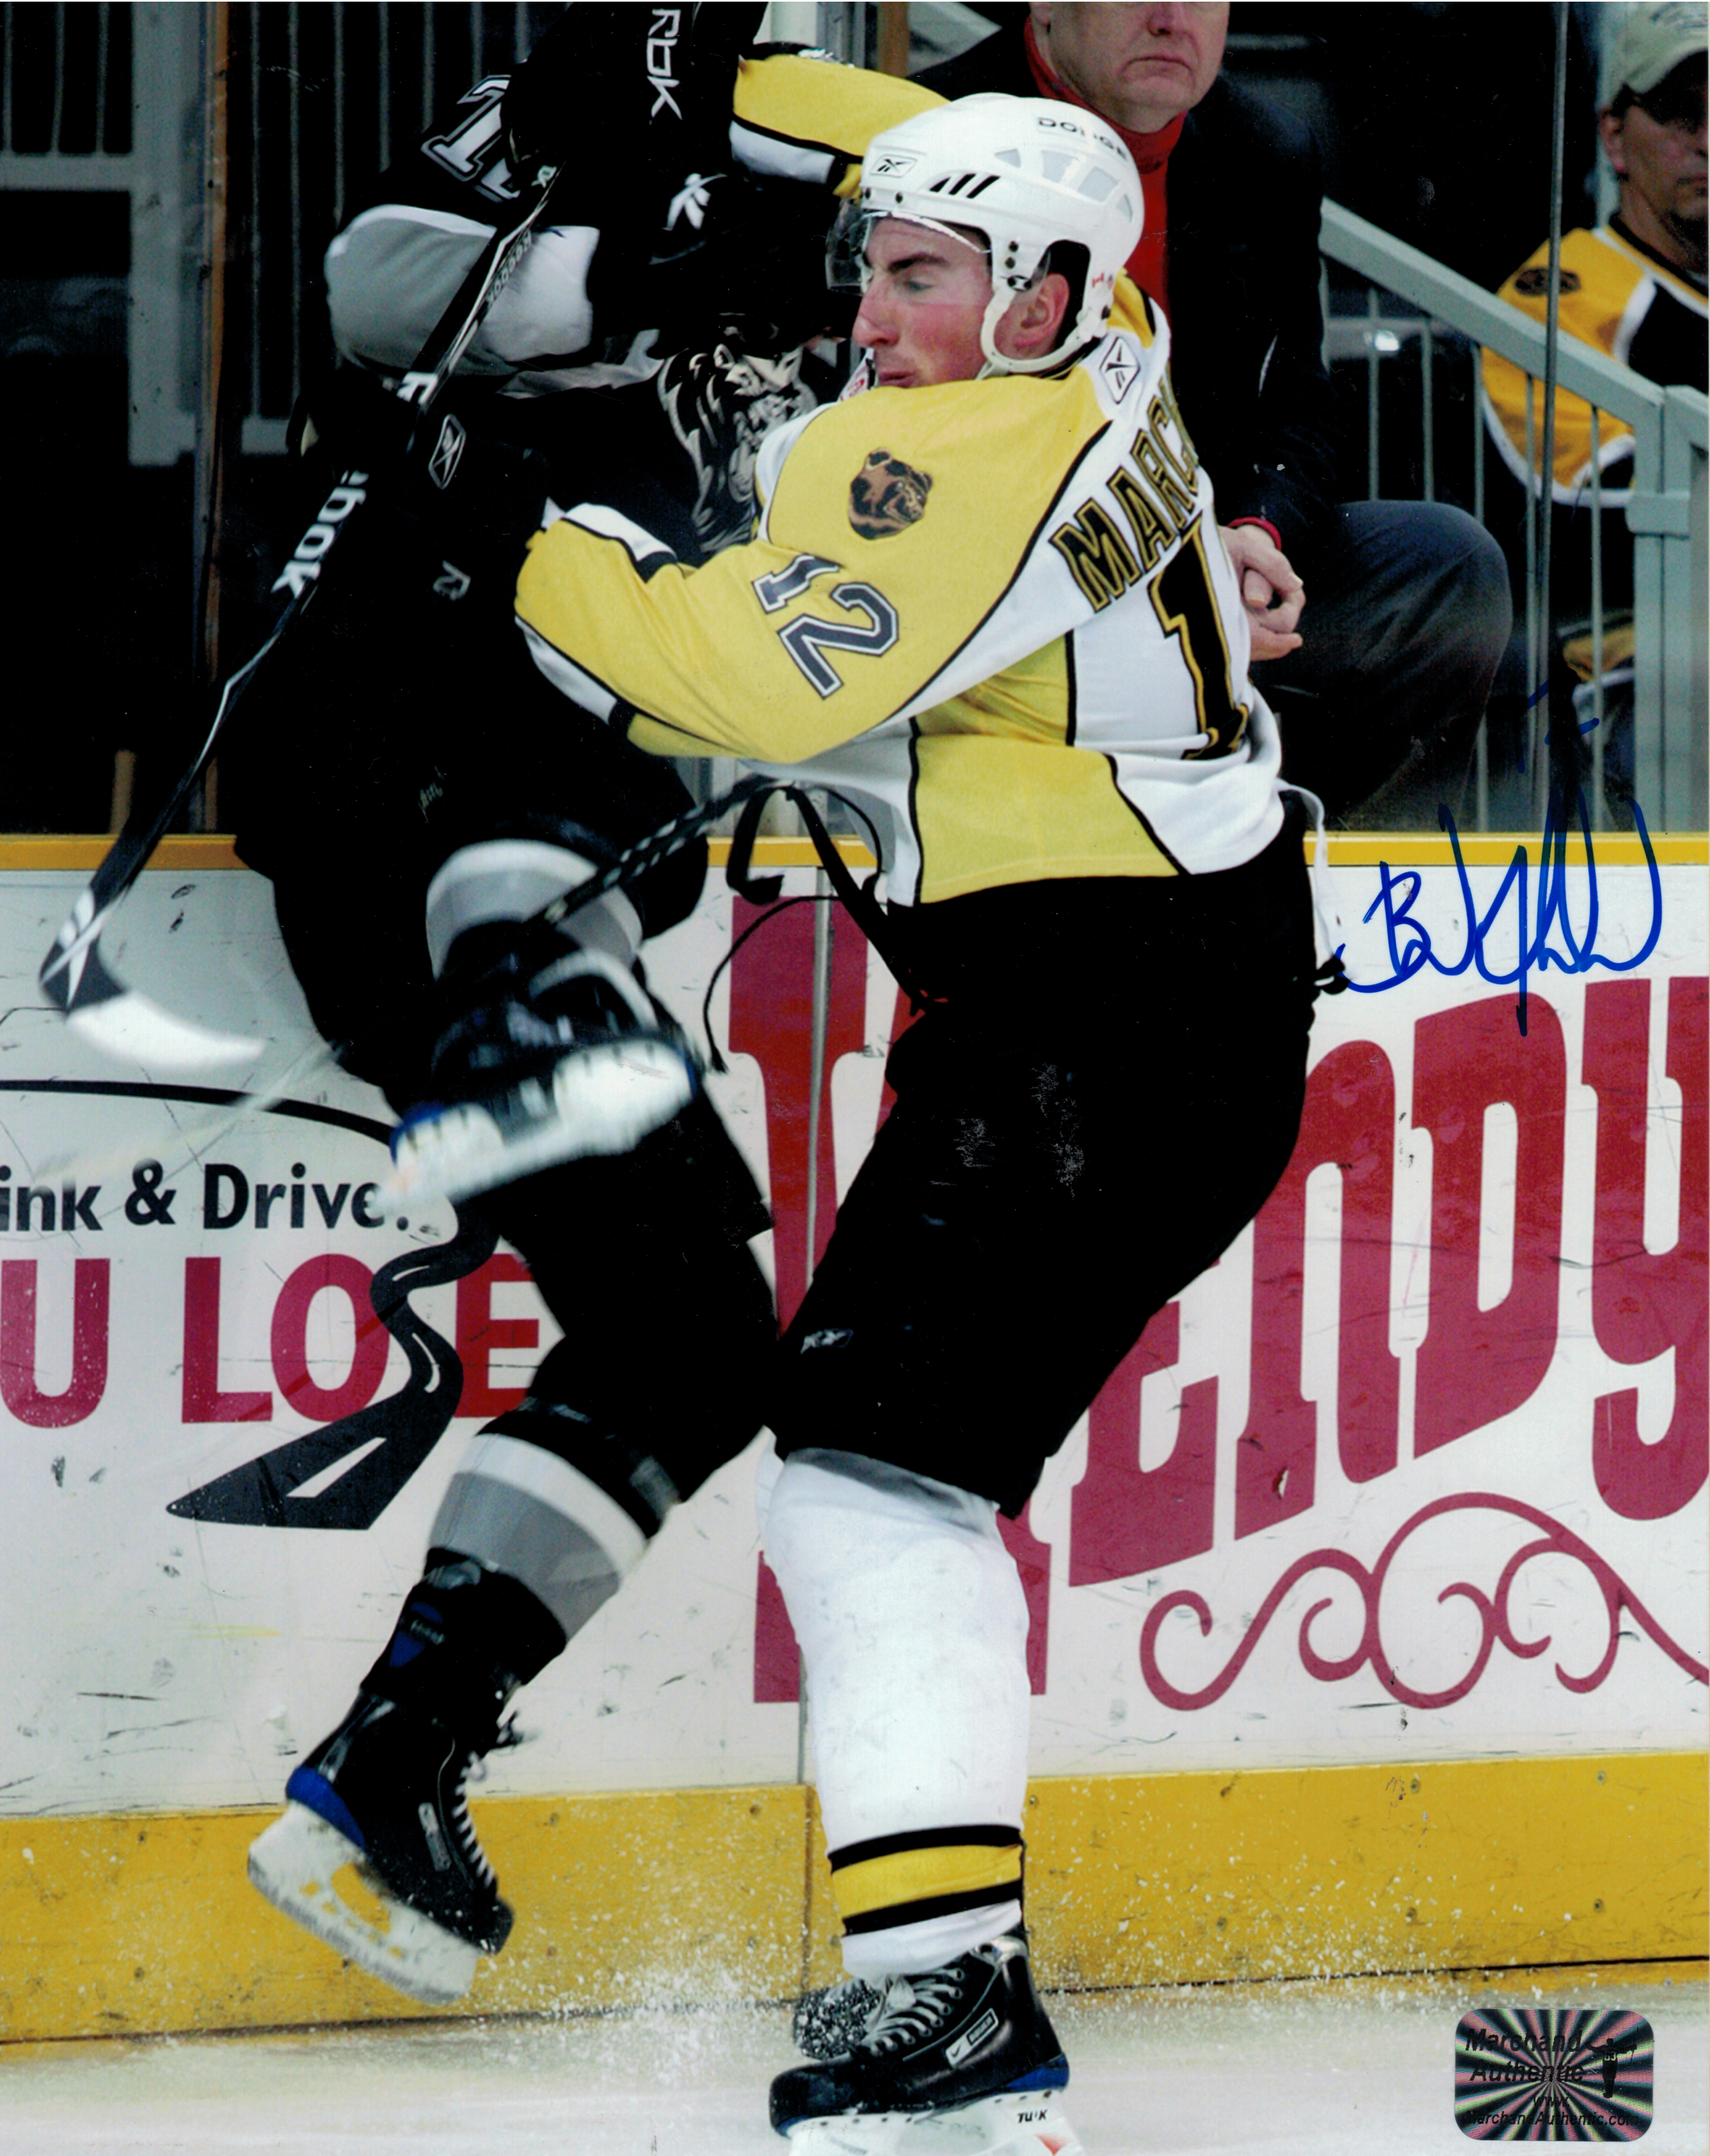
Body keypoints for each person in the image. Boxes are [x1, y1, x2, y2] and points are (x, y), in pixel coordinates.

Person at [252, 89, 1326, 2152]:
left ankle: (950, 2005)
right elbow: (906, 160)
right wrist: (689, 75)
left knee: (867, 1483)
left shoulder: (969, 438)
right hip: (1132, 988)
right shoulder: (1102, 337)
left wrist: (509, 532)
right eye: (874, 267)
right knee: (858, 1461)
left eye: (923, 280)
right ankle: (941, 2004)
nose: (876, 313)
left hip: (1107, 1015)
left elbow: (744, 684)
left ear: (1039, 295)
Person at [916, 2, 1515, 828]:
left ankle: (1317, 880)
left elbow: (1299, 410)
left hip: (1192, 559)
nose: (1171, 19)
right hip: (997, 581)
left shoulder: (1262, 149)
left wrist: (1254, 536)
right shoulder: (932, 129)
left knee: (1447, 567)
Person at [1481, 0, 1707, 817]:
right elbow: (1591, 500)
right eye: (1684, 114)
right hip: (1634, 678)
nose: (1708, 142)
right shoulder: (1559, 293)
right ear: (1613, 137)